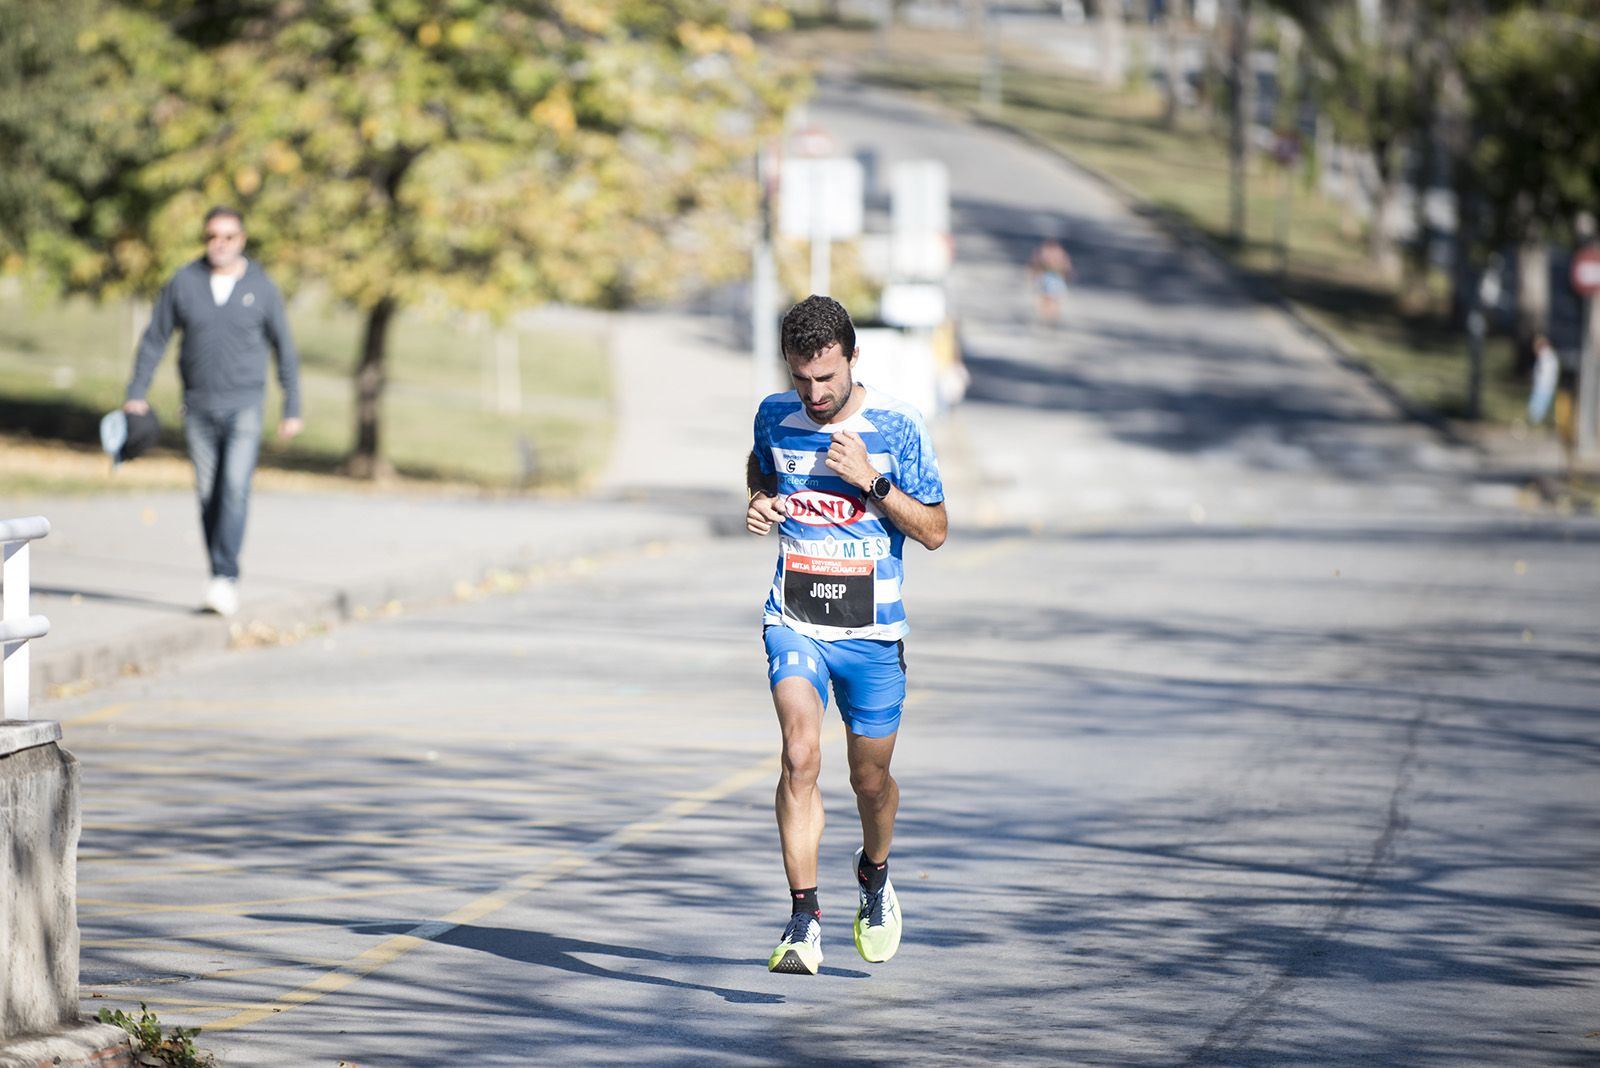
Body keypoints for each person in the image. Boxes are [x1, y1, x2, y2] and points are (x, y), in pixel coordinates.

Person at [745, 295, 948, 975]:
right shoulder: (774, 414)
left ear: (853, 357)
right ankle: (804, 919)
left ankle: (875, 872)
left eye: (826, 378)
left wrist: (872, 481)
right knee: (800, 754)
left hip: (872, 633)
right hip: (795, 620)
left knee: (870, 780)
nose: (814, 394)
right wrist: (760, 501)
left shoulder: (897, 424)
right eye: (801, 379)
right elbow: (762, 466)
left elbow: (935, 530)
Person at [123, 206, 303, 617]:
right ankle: (218, 570)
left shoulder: (262, 287)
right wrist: (136, 392)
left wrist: (292, 406)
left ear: (242, 240)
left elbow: (285, 350)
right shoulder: (184, 282)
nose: (219, 244)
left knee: (235, 488)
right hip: (199, 407)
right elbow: (154, 339)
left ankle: (225, 576)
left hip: (245, 406)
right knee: (209, 495)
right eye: (212, 236)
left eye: (228, 236)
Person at [1027, 237, 1073, 325]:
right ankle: (1048, 315)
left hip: (1052, 277)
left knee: (1051, 297)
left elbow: (1035, 263)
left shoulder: (1047, 251)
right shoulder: (1055, 252)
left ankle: (1050, 315)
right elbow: (1066, 265)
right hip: (1049, 276)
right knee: (1049, 297)